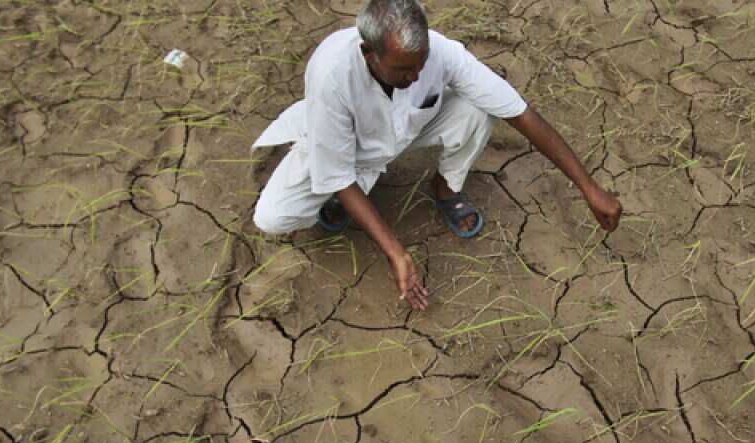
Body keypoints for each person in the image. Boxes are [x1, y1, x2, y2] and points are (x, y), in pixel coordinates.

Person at [252, 0, 622, 310]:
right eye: (403, 69)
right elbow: (335, 172)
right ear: (370, 54)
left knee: (477, 111)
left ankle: (446, 189)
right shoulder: (331, 75)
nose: (416, 75)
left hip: (407, 132)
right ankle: (342, 200)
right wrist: (397, 252)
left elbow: (519, 112)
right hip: (347, 146)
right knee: (273, 216)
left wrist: (588, 186)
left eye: (421, 63)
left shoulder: (440, 54)